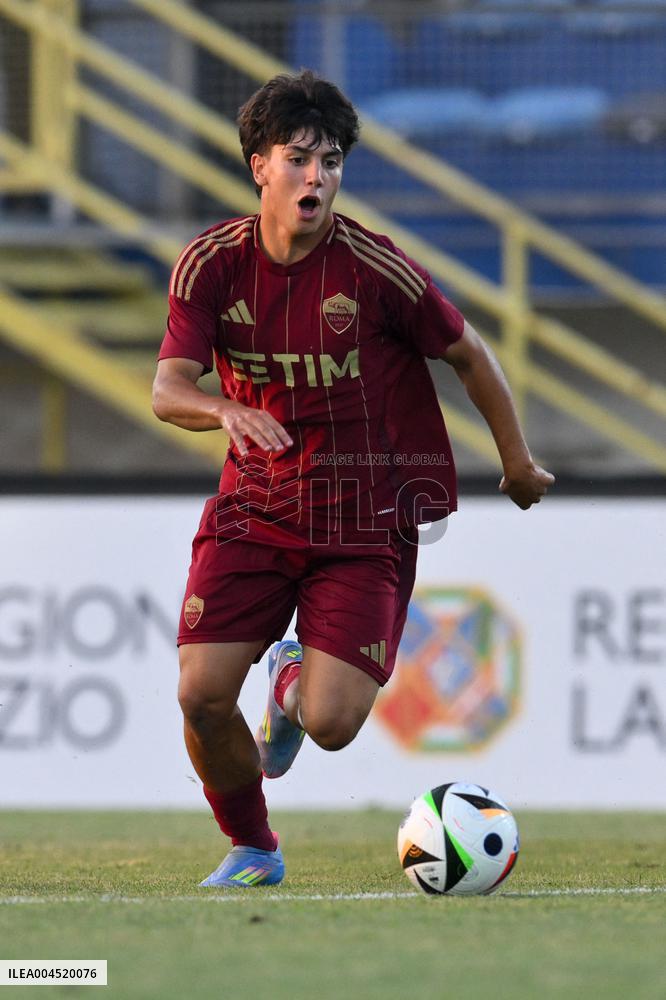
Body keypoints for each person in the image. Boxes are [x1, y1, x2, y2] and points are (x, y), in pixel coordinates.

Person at [152, 69, 554, 889]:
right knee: (199, 692)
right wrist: (225, 411)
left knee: (332, 725)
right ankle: (255, 848)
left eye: (331, 161)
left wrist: (515, 461)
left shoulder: (375, 269)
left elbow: (469, 355)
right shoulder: (211, 266)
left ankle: (292, 678)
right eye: (299, 158)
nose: (317, 177)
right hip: (255, 506)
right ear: (259, 166)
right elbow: (168, 390)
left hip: (362, 519)